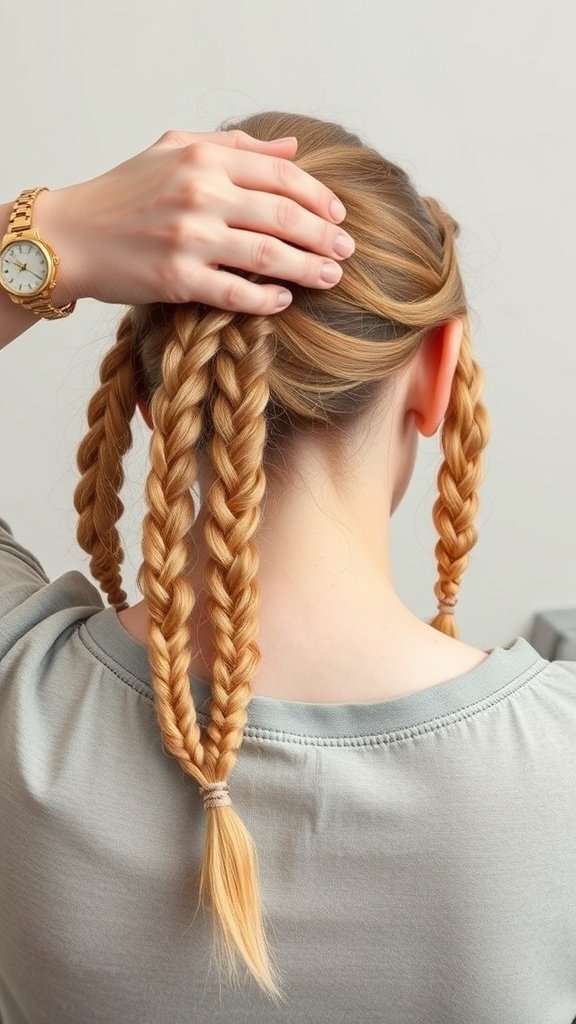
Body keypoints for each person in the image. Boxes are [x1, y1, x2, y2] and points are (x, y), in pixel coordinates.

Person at [0, 111, 574, 1024]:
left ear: (154, 396)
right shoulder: (559, 766)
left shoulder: (18, 694)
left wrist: (45, 235)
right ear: (439, 374)